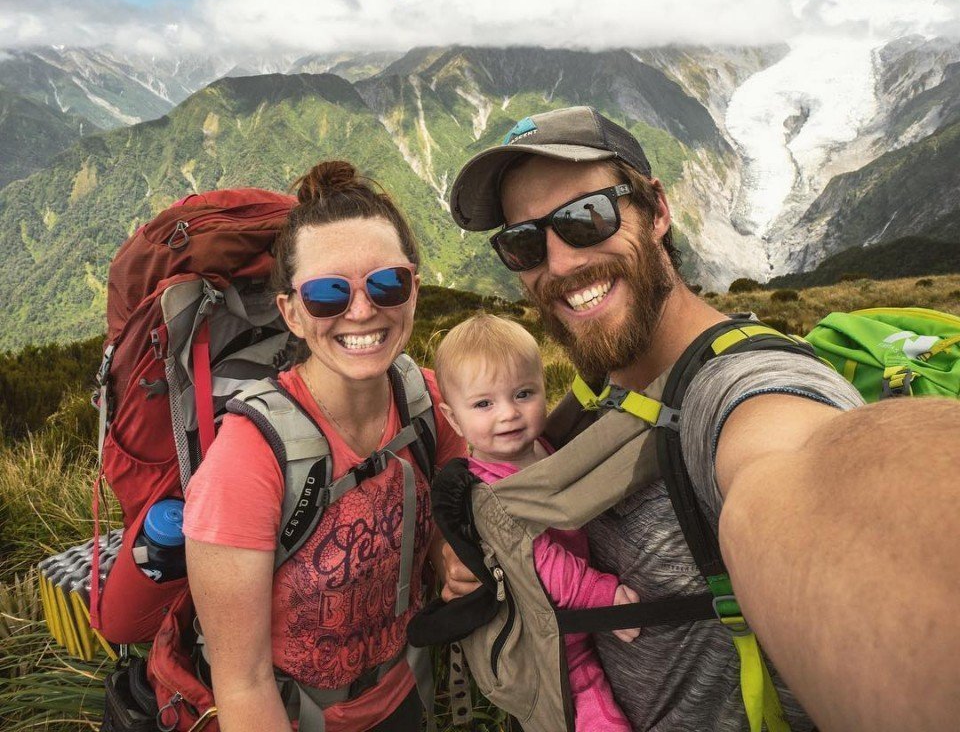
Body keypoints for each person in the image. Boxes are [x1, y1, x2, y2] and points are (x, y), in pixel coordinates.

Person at [442, 105, 960, 732]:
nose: (558, 263)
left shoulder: (740, 392)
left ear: (657, 210)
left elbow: (802, 466)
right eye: (523, 243)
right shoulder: (596, 388)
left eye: (586, 218)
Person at [183, 160, 466, 732]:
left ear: (414, 286)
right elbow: (242, 683)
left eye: (387, 283)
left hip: (406, 690)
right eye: (328, 294)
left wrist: (443, 554)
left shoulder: (429, 401)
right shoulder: (246, 461)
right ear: (289, 311)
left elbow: (445, 510)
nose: (362, 311)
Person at [434, 312, 638, 732]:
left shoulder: (545, 447)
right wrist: (605, 597)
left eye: (523, 393)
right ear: (454, 420)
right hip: (556, 647)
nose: (508, 414)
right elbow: (540, 563)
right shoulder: (488, 492)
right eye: (484, 404)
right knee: (597, 718)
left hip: (578, 625)